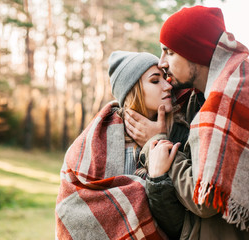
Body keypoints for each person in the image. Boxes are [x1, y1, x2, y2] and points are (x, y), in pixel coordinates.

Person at [124, 6, 249, 240]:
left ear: (193, 51)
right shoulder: (207, 94)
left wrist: (156, 144)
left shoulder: (231, 97)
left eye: (169, 52)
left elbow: (205, 199)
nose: (162, 62)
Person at [55, 50, 189, 239]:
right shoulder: (96, 143)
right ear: (133, 90)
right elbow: (73, 209)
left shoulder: (181, 135)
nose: (168, 86)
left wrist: (158, 166)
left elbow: (180, 225)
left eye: (165, 78)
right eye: (155, 80)